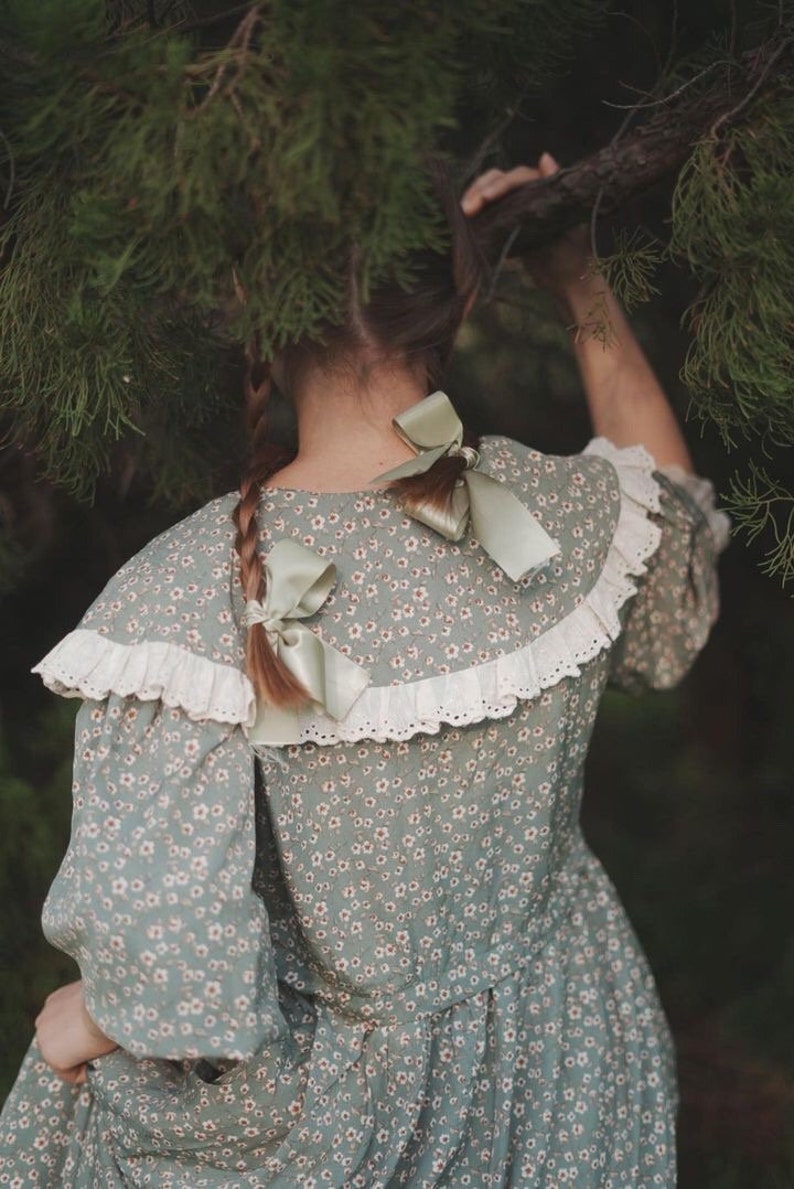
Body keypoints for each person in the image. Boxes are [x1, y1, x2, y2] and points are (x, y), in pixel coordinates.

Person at [0, 154, 729, 1186]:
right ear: (459, 289)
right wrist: (579, 278)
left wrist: (103, 1012)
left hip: (349, 1108)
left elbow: (183, 970)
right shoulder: (524, 522)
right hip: (562, 1042)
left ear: (248, 309)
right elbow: (668, 529)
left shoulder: (188, 599)